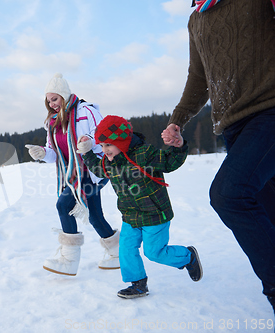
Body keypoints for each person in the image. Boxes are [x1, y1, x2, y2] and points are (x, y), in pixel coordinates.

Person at [161, 0, 275, 313]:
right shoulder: (196, 18)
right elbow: (199, 77)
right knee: (267, 214)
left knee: (230, 194)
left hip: (270, 111)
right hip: (233, 128)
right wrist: (178, 119)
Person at [81, 115, 202, 298]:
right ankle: (138, 284)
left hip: (154, 215)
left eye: (108, 145)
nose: (105, 150)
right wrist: (87, 152)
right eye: (102, 146)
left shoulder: (144, 154)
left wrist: (179, 146)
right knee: (126, 249)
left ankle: (188, 256)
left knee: (155, 253)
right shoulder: (109, 162)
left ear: (121, 142)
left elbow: (169, 162)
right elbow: (98, 169)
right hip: (130, 216)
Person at [25, 73, 119, 276]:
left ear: (64, 95)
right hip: (71, 173)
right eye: (48, 101)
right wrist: (42, 153)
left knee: (63, 205)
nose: (52, 104)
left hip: (92, 169)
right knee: (94, 216)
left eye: (55, 99)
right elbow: (53, 153)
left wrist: (89, 142)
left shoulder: (86, 111)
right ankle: (117, 253)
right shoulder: (52, 122)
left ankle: (69, 260)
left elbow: (102, 133)